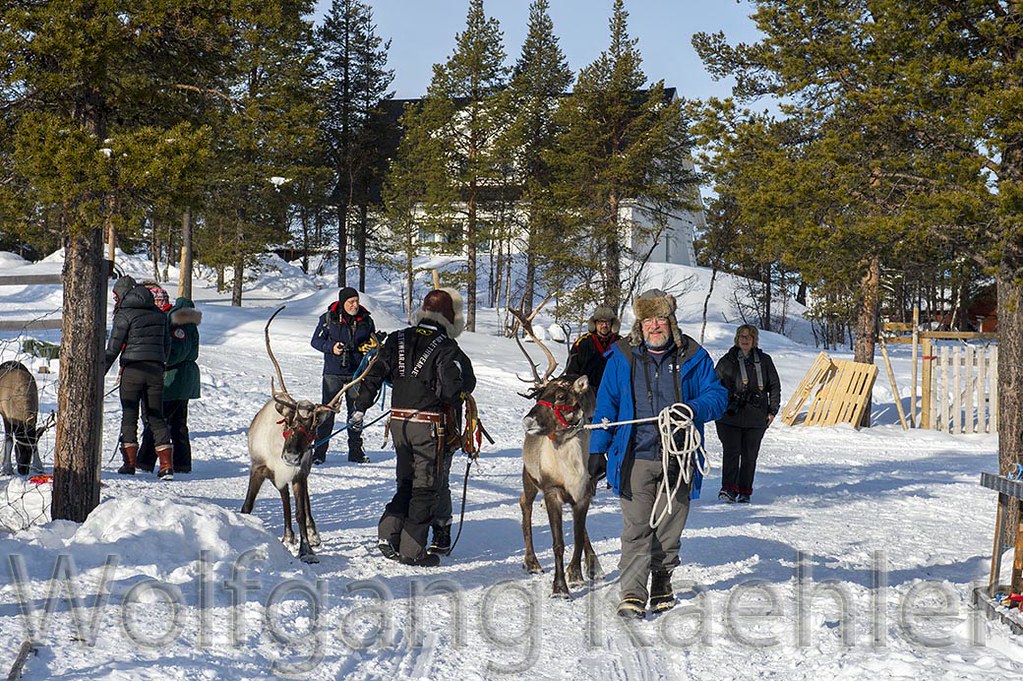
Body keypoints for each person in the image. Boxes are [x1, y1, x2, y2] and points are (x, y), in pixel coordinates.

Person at [587, 289, 727, 619]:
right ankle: (633, 593)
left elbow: (718, 395)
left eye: (660, 319)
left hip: (679, 454)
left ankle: (662, 579)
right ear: (640, 323)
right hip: (634, 454)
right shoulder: (622, 357)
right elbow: (607, 403)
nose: (654, 326)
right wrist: (597, 449)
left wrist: (692, 409)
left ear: (671, 321)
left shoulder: (693, 355)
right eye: (648, 319)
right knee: (635, 528)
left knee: (668, 527)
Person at [350, 288, 476, 567]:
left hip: (398, 424)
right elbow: (453, 389)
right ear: (448, 318)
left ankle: (389, 533)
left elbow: (373, 376)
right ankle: (413, 549)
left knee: (406, 482)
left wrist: (360, 408)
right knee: (425, 487)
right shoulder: (447, 347)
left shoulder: (396, 339)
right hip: (428, 427)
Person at [103, 275, 173, 479]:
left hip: (132, 369)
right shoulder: (159, 314)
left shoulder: (124, 314)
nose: (116, 300)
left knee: (130, 413)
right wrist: (161, 362)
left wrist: (100, 374)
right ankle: (166, 465)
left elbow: (113, 348)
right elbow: (167, 344)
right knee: (156, 415)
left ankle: (129, 463)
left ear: (123, 293)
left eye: (116, 296)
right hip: (156, 370)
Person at [714, 324, 781, 504]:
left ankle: (745, 490)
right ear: (737, 339)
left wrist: (772, 410)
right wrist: (719, 407)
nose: (745, 340)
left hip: (756, 416)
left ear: (754, 340)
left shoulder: (764, 361)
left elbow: (774, 386)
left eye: (748, 337)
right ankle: (729, 488)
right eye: (742, 336)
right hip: (730, 416)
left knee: (750, 455)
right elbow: (714, 387)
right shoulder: (727, 361)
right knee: (731, 452)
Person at [310, 287, 376, 464]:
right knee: (327, 413)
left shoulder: (366, 320)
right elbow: (315, 341)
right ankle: (319, 452)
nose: (355, 305)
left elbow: (375, 341)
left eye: (356, 301)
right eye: (351, 302)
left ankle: (355, 452)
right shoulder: (329, 318)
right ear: (342, 302)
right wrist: (331, 348)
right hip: (333, 372)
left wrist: (372, 347)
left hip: (356, 373)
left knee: (356, 413)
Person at [139, 296, 202, 475]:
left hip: (174, 380)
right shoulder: (190, 324)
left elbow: (177, 351)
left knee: (157, 420)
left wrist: (160, 361)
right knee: (178, 423)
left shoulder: (179, 322)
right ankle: (182, 463)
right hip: (185, 380)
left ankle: (145, 461)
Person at [566, 305, 621, 392]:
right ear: (594, 324)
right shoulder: (582, 343)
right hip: (587, 393)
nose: (604, 325)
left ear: (612, 324)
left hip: (614, 392)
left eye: (607, 322)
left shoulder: (620, 343)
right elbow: (571, 371)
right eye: (600, 322)